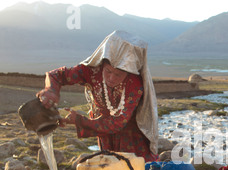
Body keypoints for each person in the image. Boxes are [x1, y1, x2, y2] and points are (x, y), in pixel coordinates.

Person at [36, 30, 159, 162]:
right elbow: (57, 75)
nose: (111, 78)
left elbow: (118, 123)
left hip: (131, 136)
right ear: (102, 64)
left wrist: (79, 120)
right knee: (108, 169)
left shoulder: (134, 83)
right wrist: (51, 90)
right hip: (103, 132)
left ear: (129, 72)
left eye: (118, 75)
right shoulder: (91, 71)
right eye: (108, 71)